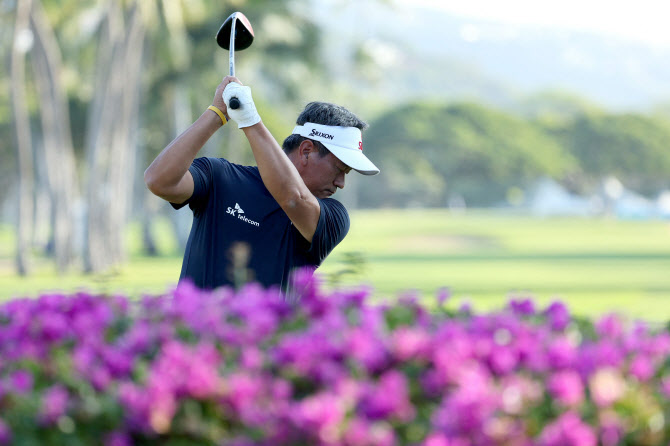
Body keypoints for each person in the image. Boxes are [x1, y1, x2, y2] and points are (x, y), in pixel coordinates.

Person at [144, 76, 379, 293]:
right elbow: (159, 181)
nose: (341, 183)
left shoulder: (332, 217)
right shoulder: (219, 177)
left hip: (265, 340)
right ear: (306, 151)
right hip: (197, 337)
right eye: (339, 169)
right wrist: (217, 113)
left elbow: (293, 198)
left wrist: (249, 120)